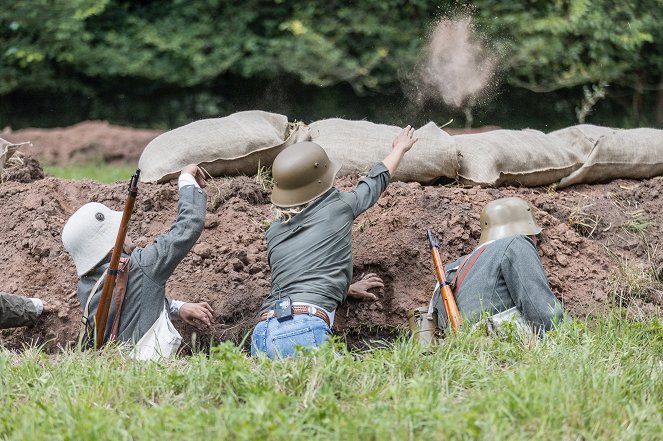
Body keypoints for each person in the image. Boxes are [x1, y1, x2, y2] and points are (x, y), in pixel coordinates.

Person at [251, 126, 418, 358]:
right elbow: (373, 182)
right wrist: (400, 148)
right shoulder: (338, 207)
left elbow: (297, 277)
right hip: (304, 328)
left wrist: (344, 289)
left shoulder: (274, 231)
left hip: (263, 331)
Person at [61, 164, 214, 358]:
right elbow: (189, 225)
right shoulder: (141, 265)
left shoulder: (85, 288)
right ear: (114, 239)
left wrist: (177, 307)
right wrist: (186, 178)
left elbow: (132, 306)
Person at [435, 197, 564, 334]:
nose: (536, 240)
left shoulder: (450, 270)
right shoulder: (516, 243)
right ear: (525, 230)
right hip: (499, 347)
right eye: (534, 234)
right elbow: (545, 315)